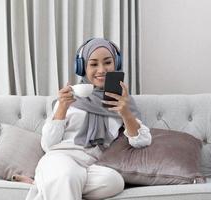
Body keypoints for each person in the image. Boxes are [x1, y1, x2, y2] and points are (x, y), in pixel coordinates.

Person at [14, 38, 152, 200]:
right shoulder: (69, 97)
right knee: (67, 175)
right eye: (93, 64)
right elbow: (48, 144)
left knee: (114, 181)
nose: (102, 70)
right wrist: (62, 108)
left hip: (93, 164)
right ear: (82, 68)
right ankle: (51, 179)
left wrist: (126, 112)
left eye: (107, 62)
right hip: (61, 157)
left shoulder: (121, 100)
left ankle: (42, 183)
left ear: (116, 64)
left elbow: (142, 141)